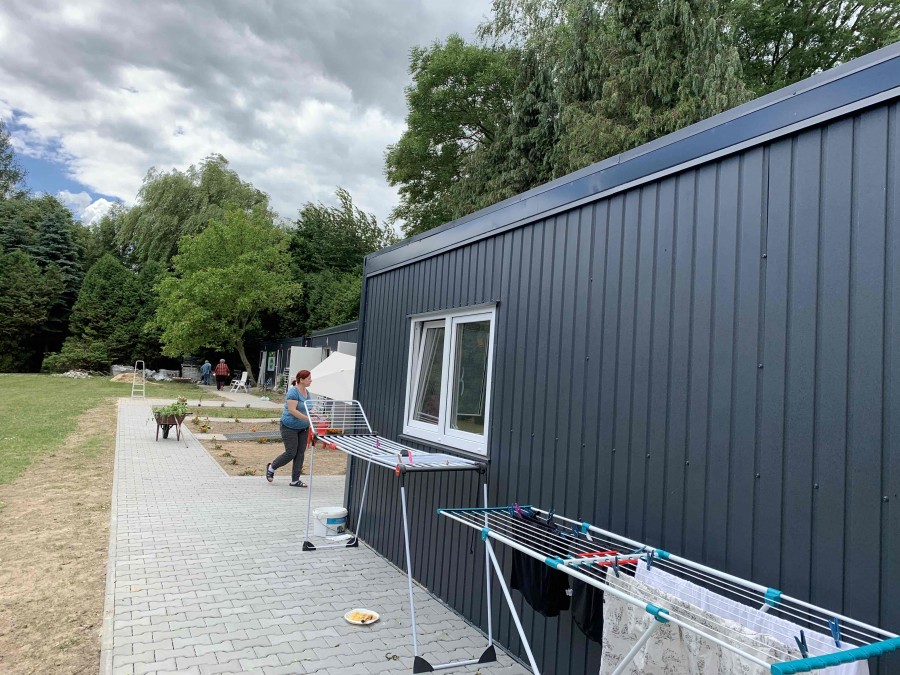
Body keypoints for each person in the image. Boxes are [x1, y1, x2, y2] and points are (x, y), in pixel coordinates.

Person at [266, 369, 313, 487]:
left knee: (300, 453)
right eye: (309, 378)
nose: (311, 380)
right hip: (289, 426)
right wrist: (307, 418)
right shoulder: (293, 392)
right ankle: (272, 467)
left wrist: (314, 415)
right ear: (301, 380)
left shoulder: (307, 392)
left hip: (303, 428)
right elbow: (292, 410)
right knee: (291, 452)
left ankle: (295, 480)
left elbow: (307, 408)